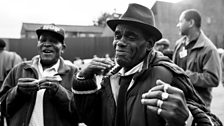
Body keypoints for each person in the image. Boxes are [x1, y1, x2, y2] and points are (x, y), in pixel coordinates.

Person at [72, 3, 222, 126]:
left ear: (149, 44)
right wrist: (82, 79)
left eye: (130, 37)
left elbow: (212, 121)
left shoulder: (166, 76)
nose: (120, 43)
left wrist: (188, 119)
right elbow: (91, 118)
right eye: (117, 35)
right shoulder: (110, 77)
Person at [0, 24, 79, 126]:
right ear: (38, 44)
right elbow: (2, 107)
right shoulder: (19, 70)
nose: (47, 44)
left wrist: (59, 92)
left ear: (63, 48)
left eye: (53, 41)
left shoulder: (74, 74)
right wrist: (17, 92)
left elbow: (81, 113)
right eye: (43, 40)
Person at [173, 9, 221, 109]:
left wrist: (186, 76)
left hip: (199, 107)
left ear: (191, 23)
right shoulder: (179, 44)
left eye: (181, 21)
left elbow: (213, 79)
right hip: (179, 103)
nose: (178, 25)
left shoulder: (209, 49)